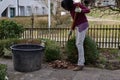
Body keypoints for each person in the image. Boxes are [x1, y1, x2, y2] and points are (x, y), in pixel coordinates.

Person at [61, 0, 90, 71]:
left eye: (65, 8)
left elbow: (88, 10)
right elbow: (75, 20)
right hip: (78, 26)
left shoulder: (77, 5)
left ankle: (80, 64)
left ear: (68, 5)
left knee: (79, 44)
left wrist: (81, 10)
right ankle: (81, 63)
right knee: (78, 44)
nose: (66, 9)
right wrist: (71, 29)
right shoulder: (71, 9)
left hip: (83, 25)